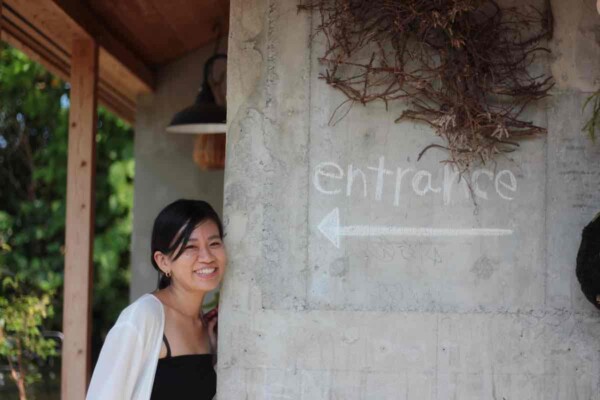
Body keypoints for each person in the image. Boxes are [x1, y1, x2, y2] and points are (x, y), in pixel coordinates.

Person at [86, 199, 226, 400]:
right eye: (190, 247)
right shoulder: (142, 317)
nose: (207, 256)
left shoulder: (207, 328)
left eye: (214, 243)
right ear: (163, 261)